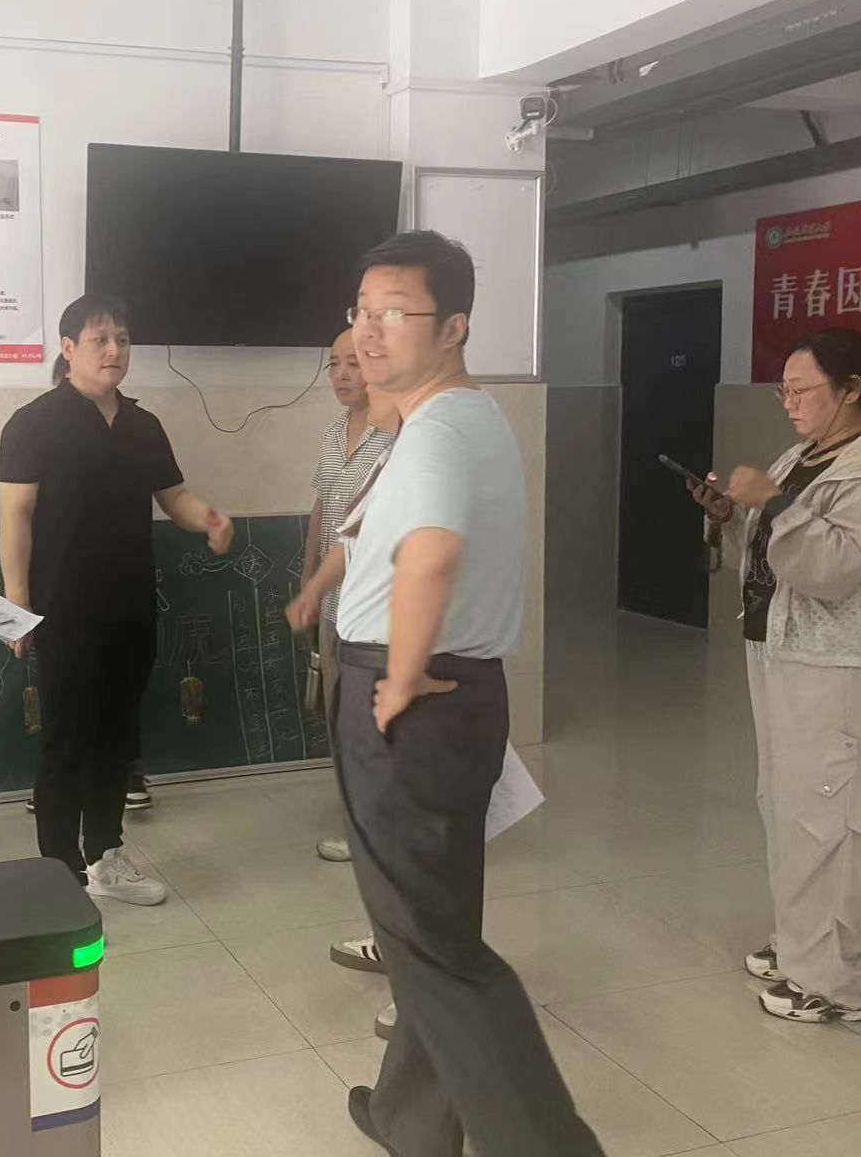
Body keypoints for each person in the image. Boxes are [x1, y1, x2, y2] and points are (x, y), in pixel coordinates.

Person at [333, 230, 603, 1156]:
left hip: (410, 698)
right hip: (461, 695)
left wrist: (401, 677)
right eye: (361, 312)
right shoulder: (471, 416)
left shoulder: (439, 430)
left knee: (433, 949)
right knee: (434, 923)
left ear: (453, 327)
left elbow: (433, 554)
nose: (369, 332)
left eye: (393, 314)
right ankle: (412, 1118)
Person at [691, 327, 861, 1024]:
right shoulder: (802, 456)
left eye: (801, 390)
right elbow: (769, 549)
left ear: (850, 390)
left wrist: (774, 503)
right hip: (783, 651)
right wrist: (729, 517)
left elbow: (834, 566)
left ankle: (838, 983)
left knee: (832, 816)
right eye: (783, 391)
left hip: (840, 664)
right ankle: (800, 943)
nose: (789, 403)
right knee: (788, 806)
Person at [0, 296, 234, 905]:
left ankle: (105, 857)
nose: (114, 351)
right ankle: (57, 871)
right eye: (100, 339)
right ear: (68, 347)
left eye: (123, 340)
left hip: (130, 606)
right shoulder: (32, 423)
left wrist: (207, 518)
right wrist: (18, 607)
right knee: (68, 737)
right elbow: (15, 518)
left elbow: (174, 497)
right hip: (62, 609)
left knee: (117, 737)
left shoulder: (142, 425)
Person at [302, 331, 395, 865]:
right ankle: (360, 823)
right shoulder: (333, 432)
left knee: (375, 721)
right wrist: (308, 579)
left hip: (379, 607)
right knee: (340, 716)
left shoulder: (398, 435)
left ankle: (379, 833)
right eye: (334, 364)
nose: (340, 374)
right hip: (334, 604)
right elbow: (322, 508)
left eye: (353, 363)